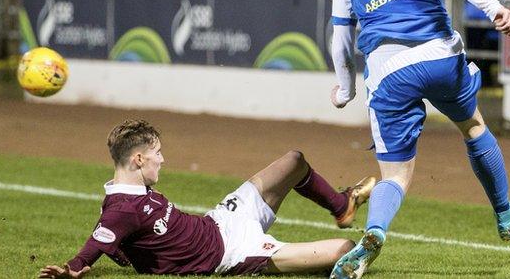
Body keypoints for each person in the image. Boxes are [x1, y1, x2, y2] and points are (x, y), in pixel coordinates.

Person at [328, 0, 510, 278]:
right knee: (473, 126)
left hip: (387, 69)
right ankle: (506, 216)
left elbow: (341, 32)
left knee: (394, 176)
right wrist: (491, 7)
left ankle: (375, 231)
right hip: (437, 54)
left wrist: (345, 89)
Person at [39, 119, 377, 278]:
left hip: (221, 220)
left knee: (293, 160)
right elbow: (93, 247)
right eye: (157, 153)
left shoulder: (129, 191)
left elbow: (127, 242)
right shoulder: (120, 209)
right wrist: (73, 269)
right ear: (139, 159)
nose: (163, 159)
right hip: (232, 253)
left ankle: (341, 205)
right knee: (345, 251)